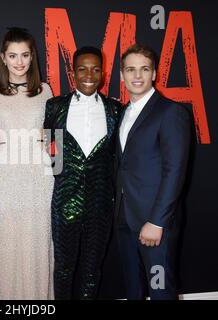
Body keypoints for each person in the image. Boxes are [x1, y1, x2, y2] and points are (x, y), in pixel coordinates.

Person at [44, 46, 121, 299]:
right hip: (65, 203)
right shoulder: (54, 107)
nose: (89, 74)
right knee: (64, 269)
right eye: (82, 69)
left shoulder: (115, 110)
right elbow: (49, 150)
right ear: (72, 73)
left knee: (92, 271)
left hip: (100, 205)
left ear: (103, 72)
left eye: (96, 69)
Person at [115, 43, 190, 300]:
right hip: (124, 219)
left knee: (160, 291)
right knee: (133, 290)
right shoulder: (124, 112)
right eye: (131, 69)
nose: (137, 76)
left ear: (154, 73)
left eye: (144, 69)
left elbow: (175, 171)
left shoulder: (170, 112)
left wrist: (157, 222)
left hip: (155, 223)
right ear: (121, 75)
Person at [0, 27, 54, 300]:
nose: (19, 62)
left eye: (24, 55)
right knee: (7, 245)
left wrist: (47, 137)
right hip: (4, 179)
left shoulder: (45, 90)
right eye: (12, 55)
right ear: (3, 57)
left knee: (39, 244)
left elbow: (54, 133)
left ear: (32, 56)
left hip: (39, 179)